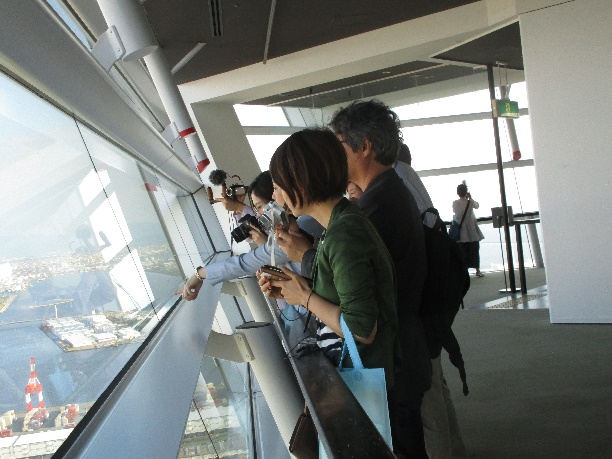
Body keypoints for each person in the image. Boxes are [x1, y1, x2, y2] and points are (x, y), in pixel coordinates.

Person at [329, 100, 432, 459]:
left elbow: (354, 281)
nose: (334, 156)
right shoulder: (389, 193)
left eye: (339, 145)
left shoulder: (376, 206)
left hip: (395, 354)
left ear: (365, 147)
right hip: (406, 345)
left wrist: (307, 257)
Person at [259, 128, 398, 389]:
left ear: (300, 182)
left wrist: (304, 297)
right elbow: (342, 292)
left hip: (367, 382)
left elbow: (361, 329)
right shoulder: (338, 225)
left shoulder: (344, 233)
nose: (275, 198)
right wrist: (294, 288)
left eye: (277, 187)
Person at [395, 144, 468, 459]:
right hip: (433, 298)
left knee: (428, 396)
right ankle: (455, 449)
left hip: (420, 305)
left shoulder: (395, 181)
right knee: (436, 383)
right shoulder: (407, 177)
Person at [179, 171, 309, 300]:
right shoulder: (298, 224)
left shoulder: (289, 238)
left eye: (259, 207)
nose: (257, 215)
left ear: (274, 202)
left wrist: (199, 274)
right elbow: (250, 237)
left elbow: (243, 264)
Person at [453, 183, 485, 277]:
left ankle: (464, 272)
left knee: (463, 254)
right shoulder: (470, 202)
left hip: (461, 233)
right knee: (475, 251)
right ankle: (477, 270)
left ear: (458, 193)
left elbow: (457, 213)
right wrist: (470, 198)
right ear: (466, 192)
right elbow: (477, 206)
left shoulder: (455, 203)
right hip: (472, 232)